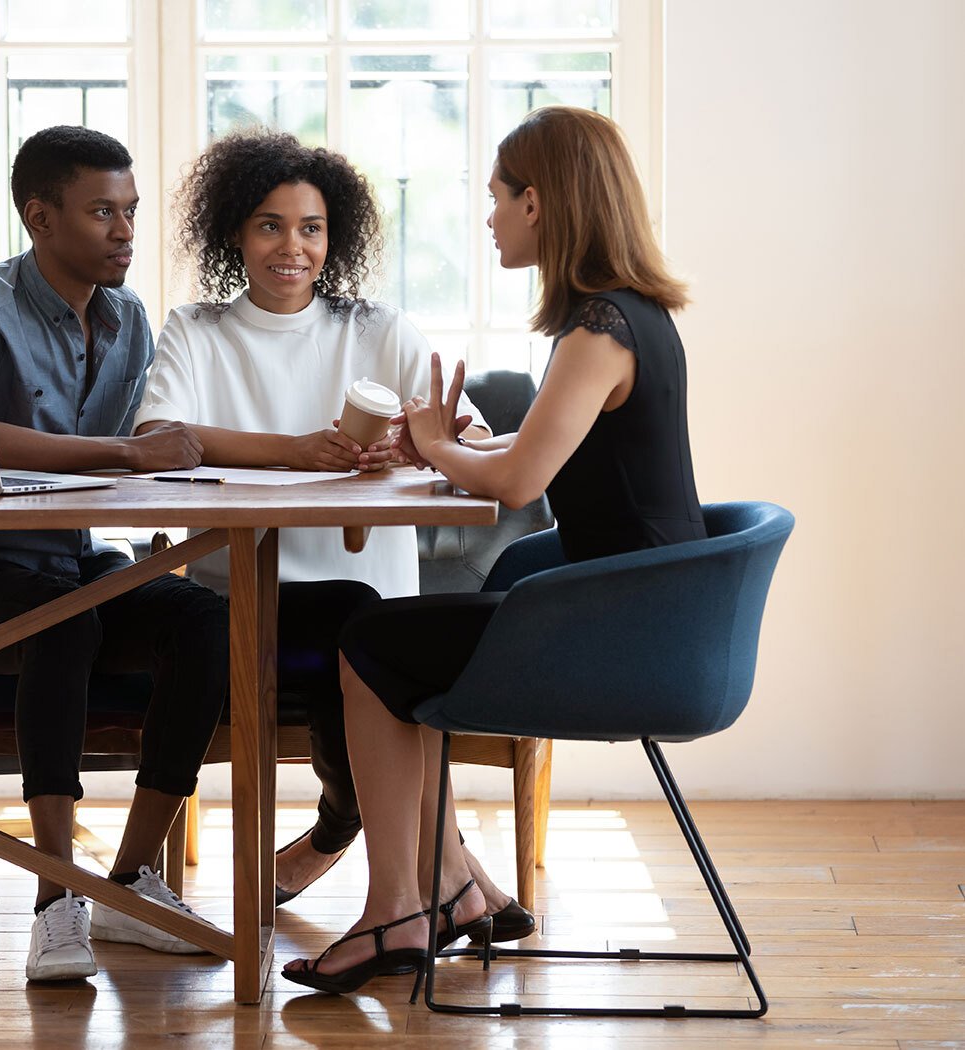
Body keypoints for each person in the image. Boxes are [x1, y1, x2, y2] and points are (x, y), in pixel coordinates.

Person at [282, 105, 706, 994]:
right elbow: (520, 459)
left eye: (497, 199)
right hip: (645, 615)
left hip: (625, 633)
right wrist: (440, 448)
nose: (489, 218)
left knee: (370, 643)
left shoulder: (600, 332)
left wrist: (438, 445)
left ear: (539, 203)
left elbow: (518, 484)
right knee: (398, 641)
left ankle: (404, 907)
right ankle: (440, 893)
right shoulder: (632, 318)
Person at [0, 126, 230, 983]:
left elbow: (153, 440)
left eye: (130, 212)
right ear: (40, 218)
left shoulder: (129, 318)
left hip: (74, 565)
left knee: (206, 620)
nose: (125, 232)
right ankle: (56, 897)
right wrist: (123, 457)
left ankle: (129, 883)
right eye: (101, 213)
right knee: (66, 620)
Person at [133, 128, 494, 906]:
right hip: (242, 600)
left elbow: (476, 435)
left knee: (367, 631)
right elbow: (157, 441)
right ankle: (451, 879)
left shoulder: (377, 330)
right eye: (269, 225)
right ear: (234, 232)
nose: (291, 246)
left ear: (336, 237)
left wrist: (414, 442)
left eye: (311, 227)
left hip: (372, 597)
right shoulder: (197, 331)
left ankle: (395, 859)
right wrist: (291, 450)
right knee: (356, 633)